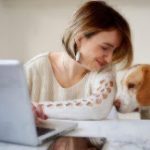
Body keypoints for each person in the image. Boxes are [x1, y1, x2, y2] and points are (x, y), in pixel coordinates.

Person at [25, 1, 133, 149]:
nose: (109, 58)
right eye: (105, 48)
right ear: (80, 38)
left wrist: (38, 109)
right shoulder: (34, 69)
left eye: (113, 50)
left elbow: (97, 108)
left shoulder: (103, 73)